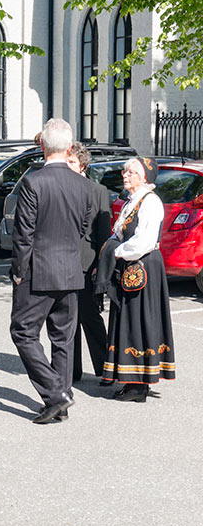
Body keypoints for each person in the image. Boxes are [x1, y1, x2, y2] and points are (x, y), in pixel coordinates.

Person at [9, 118, 93, 424]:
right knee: (63, 338)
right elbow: (83, 228)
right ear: (69, 147)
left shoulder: (33, 181)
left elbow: (23, 234)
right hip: (71, 270)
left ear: (43, 146)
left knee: (23, 332)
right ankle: (61, 395)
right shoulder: (85, 185)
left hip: (38, 271)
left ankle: (56, 394)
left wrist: (18, 271)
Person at [96, 157, 175, 402]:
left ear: (144, 177)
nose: (124, 174)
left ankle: (140, 384)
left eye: (130, 171)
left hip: (143, 265)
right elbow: (119, 232)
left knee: (140, 320)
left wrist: (114, 253)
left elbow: (142, 242)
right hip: (131, 265)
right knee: (128, 319)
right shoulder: (134, 200)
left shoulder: (150, 203)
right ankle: (131, 380)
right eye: (125, 170)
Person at [64, 142, 111, 382]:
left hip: (87, 262)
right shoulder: (62, 188)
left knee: (89, 316)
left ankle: (105, 367)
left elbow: (104, 233)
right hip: (64, 262)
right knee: (67, 318)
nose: (67, 165)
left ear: (82, 164)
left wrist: (99, 267)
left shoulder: (98, 191)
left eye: (71, 162)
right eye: (66, 161)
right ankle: (72, 370)